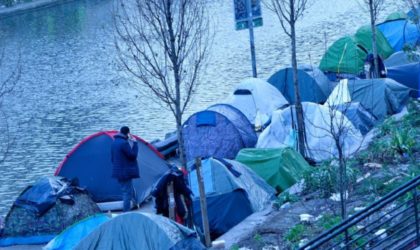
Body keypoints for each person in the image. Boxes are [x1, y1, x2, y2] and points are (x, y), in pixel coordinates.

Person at [111, 126, 139, 212]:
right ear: (127, 133)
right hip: (125, 173)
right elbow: (132, 156)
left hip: (118, 172)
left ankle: (126, 211)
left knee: (125, 191)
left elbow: (112, 158)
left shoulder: (114, 142)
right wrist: (135, 144)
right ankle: (126, 213)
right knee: (127, 193)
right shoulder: (124, 143)